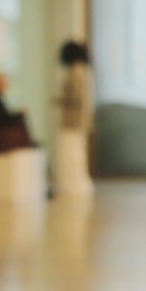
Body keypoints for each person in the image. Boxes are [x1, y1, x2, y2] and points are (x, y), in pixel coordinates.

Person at [55, 40, 94, 196]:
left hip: (73, 120)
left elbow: (75, 97)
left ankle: (72, 185)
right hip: (80, 120)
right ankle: (77, 184)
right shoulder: (85, 71)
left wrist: (60, 99)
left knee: (71, 153)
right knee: (77, 152)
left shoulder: (75, 72)